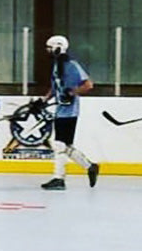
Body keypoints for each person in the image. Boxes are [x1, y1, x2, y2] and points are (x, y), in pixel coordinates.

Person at [35, 35, 99, 191]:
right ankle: (90, 166)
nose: (47, 51)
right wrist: (44, 100)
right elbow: (55, 86)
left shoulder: (72, 65)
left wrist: (72, 92)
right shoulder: (57, 65)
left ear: (58, 47)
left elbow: (88, 85)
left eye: (49, 48)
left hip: (70, 112)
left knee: (59, 145)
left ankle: (59, 178)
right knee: (65, 146)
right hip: (61, 111)